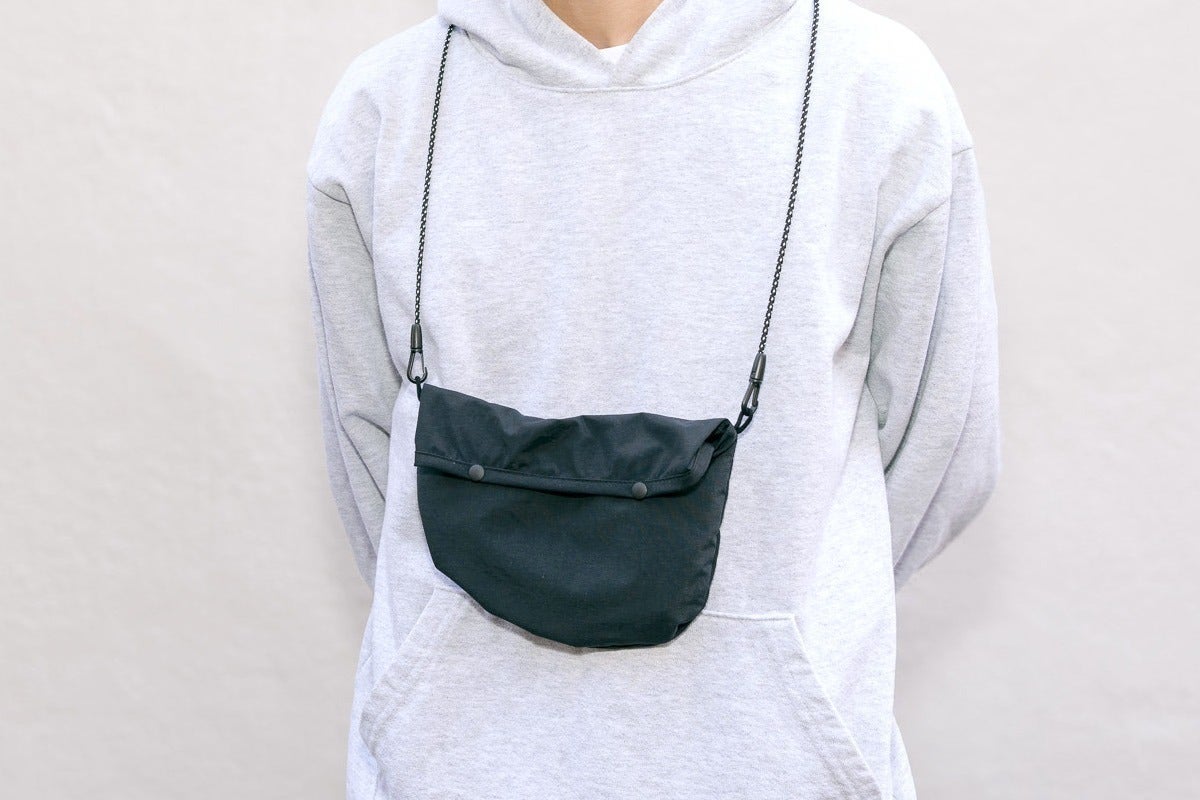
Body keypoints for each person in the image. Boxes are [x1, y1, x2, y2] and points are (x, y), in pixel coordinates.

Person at [305, 0, 1001, 797]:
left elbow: (943, 448)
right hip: (446, 768)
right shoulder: (387, 103)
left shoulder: (876, 88)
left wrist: (785, 632)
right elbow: (371, 455)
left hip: (777, 770)